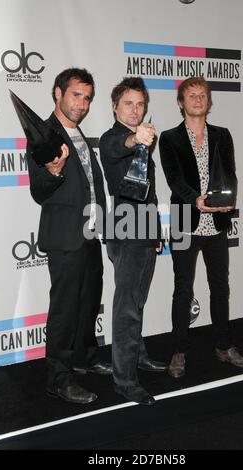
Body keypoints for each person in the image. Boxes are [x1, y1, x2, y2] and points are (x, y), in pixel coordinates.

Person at [159, 76, 243, 378]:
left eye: (203, 95)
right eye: (191, 95)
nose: (198, 100)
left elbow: (230, 173)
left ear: (208, 101)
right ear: (180, 102)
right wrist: (195, 200)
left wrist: (230, 198)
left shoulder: (223, 135)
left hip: (217, 223)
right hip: (185, 223)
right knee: (182, 290)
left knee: (220, 287)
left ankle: (224, 346)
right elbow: (173, 178)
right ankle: (179, 350)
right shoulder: (169, 138)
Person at [27, 68, 111, 404]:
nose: (83, 103)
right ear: (58, 93)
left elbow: (91, 186)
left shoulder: (76, 133)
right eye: (76, 95)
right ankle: (58, 378)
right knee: (64, 308)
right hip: (64, 236)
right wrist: (53, 172)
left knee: (90, 299)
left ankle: (84, 358)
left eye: (88, 97)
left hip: (90, 232)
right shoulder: (43, 135)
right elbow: (39, 190)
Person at [99, 77, 166, 405]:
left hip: (142, 231)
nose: (135, 109)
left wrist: (155, 233)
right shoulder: (113, 138)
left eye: (140, 104)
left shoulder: (143, 140)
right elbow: (115, 147)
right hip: (127, 233)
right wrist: (134, 138)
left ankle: (136, 356)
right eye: (128, 103)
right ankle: (124, 380)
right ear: (114, 106)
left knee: (135, 302)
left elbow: (147, 194)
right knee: (127, 309)